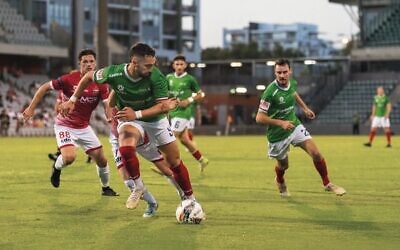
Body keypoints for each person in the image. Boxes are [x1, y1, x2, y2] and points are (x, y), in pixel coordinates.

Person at [60, 43, 199, 210]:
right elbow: (89, 76)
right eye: (148, 65)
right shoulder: (114, 72)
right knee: (125, 144)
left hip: (155, 119)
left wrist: (137, 114)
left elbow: (163, 107)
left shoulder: (157, 77)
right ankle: (138, 186)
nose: (151, 68)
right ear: (134, 62)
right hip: (129, 118)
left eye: (153, 64)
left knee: (174, 162)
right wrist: (72, 100)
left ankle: (190, 199)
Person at [22, 48, 118, 196]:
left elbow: (107, 103)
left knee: (102, 160)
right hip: (64, 125)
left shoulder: (101, 83)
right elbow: (44, 88)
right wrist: (31, 108)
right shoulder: (68, 79)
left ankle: (106, 188)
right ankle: (56, 168)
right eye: (85, 61)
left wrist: (109, 113)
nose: (89, 64)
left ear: (95, 63)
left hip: (84, 128)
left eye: (91, 61)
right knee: (69, 157)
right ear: (80, 63)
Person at [255, 58, 346, 197]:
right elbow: (259, 118)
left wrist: (304, 108)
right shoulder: (270, 92)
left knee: (316, 153)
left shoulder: (292, 83)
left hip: (294, 125)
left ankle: (327, 183)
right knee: (284, 166)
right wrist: (281, 123)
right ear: (275, 73)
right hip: (277, 134)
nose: (282, 75)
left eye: (285, 72)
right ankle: (280, 180)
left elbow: (293, 93)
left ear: (290, 71)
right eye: (279, 72)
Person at [107, 105, 185, 217]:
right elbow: (108, 104)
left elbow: (161, 107)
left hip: (142, 134)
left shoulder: (143, 91)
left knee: (167, 169)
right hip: (118, 137)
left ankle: (185, 198)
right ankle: (152, 203)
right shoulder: (115, 92)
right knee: (128, 180)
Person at [167, 55, 209, 172]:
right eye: (177, 64)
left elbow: (200, 94)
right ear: (173, 65)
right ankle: (202, 160)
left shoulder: (190, 79)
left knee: (170, 137)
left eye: (181, 64)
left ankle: (167, 164)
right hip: (173, 112)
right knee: (185, 140)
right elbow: (166, 93)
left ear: (185, 66)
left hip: (184, 113)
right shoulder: (169, 78)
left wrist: (189, 100)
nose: (179, 66)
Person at [48, 91, 92, 163]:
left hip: (78, 120)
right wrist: (59, 111)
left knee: (80, 139)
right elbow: (57, 106)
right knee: (64, 138)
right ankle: (59, 154)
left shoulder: (75, 90)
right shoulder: (62, 91)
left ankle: (91, 155)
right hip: (66, 120)